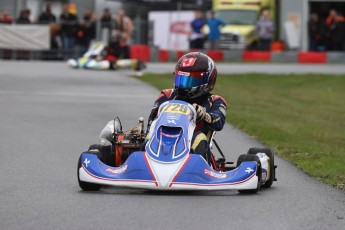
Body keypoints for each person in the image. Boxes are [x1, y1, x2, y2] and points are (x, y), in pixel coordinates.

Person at [147, 52, 227, 162]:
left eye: (192, 80)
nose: (184, 85)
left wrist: (205, 116)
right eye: (181, 79)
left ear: (207, 81)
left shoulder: (215, 101)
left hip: (193, 148)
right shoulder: (167, 95)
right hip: (164, 141)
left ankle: (197, 171)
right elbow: (151, 122)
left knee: (199, 138)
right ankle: (140, 166)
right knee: (149, 137)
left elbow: (219, 121)